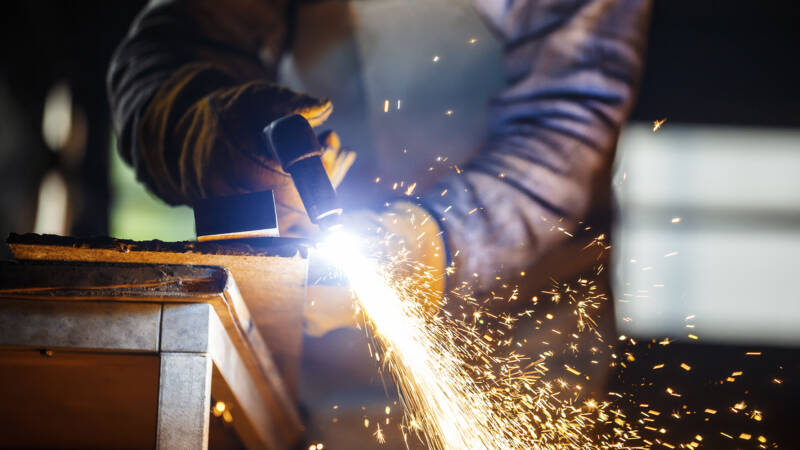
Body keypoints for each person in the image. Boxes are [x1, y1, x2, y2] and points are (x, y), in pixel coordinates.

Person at [108, 0, 651, 446]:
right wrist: (216, 138)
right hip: (310, 377)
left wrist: (426, 246)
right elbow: (168, 51)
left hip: (520, 365)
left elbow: (568, 123)